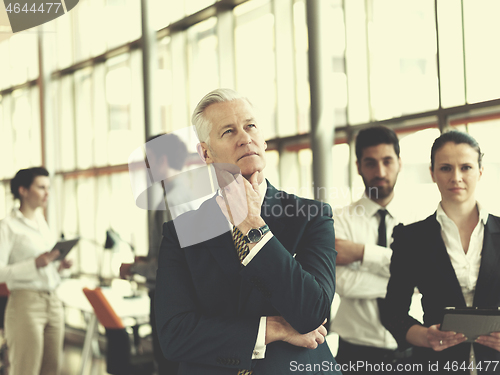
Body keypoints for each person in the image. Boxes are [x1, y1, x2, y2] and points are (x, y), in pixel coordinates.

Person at [154, 88, 341, 375]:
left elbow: (312, 312)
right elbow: (174, 336)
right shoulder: (181, 233)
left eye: (250, 126)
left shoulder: (311, 216)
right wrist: (272, 328)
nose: (245, 138)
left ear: (263, 139)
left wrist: (254, 226)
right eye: (228, 131)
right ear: (206, 152)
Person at [381, 130, 500, 374]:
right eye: (446, 168)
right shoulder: (411, 238)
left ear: (480, 171)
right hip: (438, 365)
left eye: (466, 167)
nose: (456, 177)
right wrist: (426, 337)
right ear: (432, 173)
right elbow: (393, 312)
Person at [331, 126, 412, 374]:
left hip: (411, 347)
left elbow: (429, 280)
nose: (380, 172)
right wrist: (407, 278)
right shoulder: (338, 220)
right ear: (358, 166)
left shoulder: (420, 219)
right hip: (355, 352)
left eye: (387, 161)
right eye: (370, 163)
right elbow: (342, 283)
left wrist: (362, 253)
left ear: (399, 162)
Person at [120, 133, 194, 375]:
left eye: (147, 159)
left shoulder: (171, 202)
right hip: (184, 298)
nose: (145, 167)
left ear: (161, 160)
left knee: (167, 364)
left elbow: (169, 263)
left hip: (170, 298)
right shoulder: (187, 195)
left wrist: (132, 268)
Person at [0, 167, 72, 375]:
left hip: (53, 302)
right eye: (41, 187)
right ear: (23, 190)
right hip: (26, 305)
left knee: (51, 369)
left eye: (48, 188)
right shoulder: (7, 227)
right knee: (26, 370)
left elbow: (46, 269)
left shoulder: (43, 223)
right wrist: (35, 264)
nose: (47, 193)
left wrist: (59, 268)